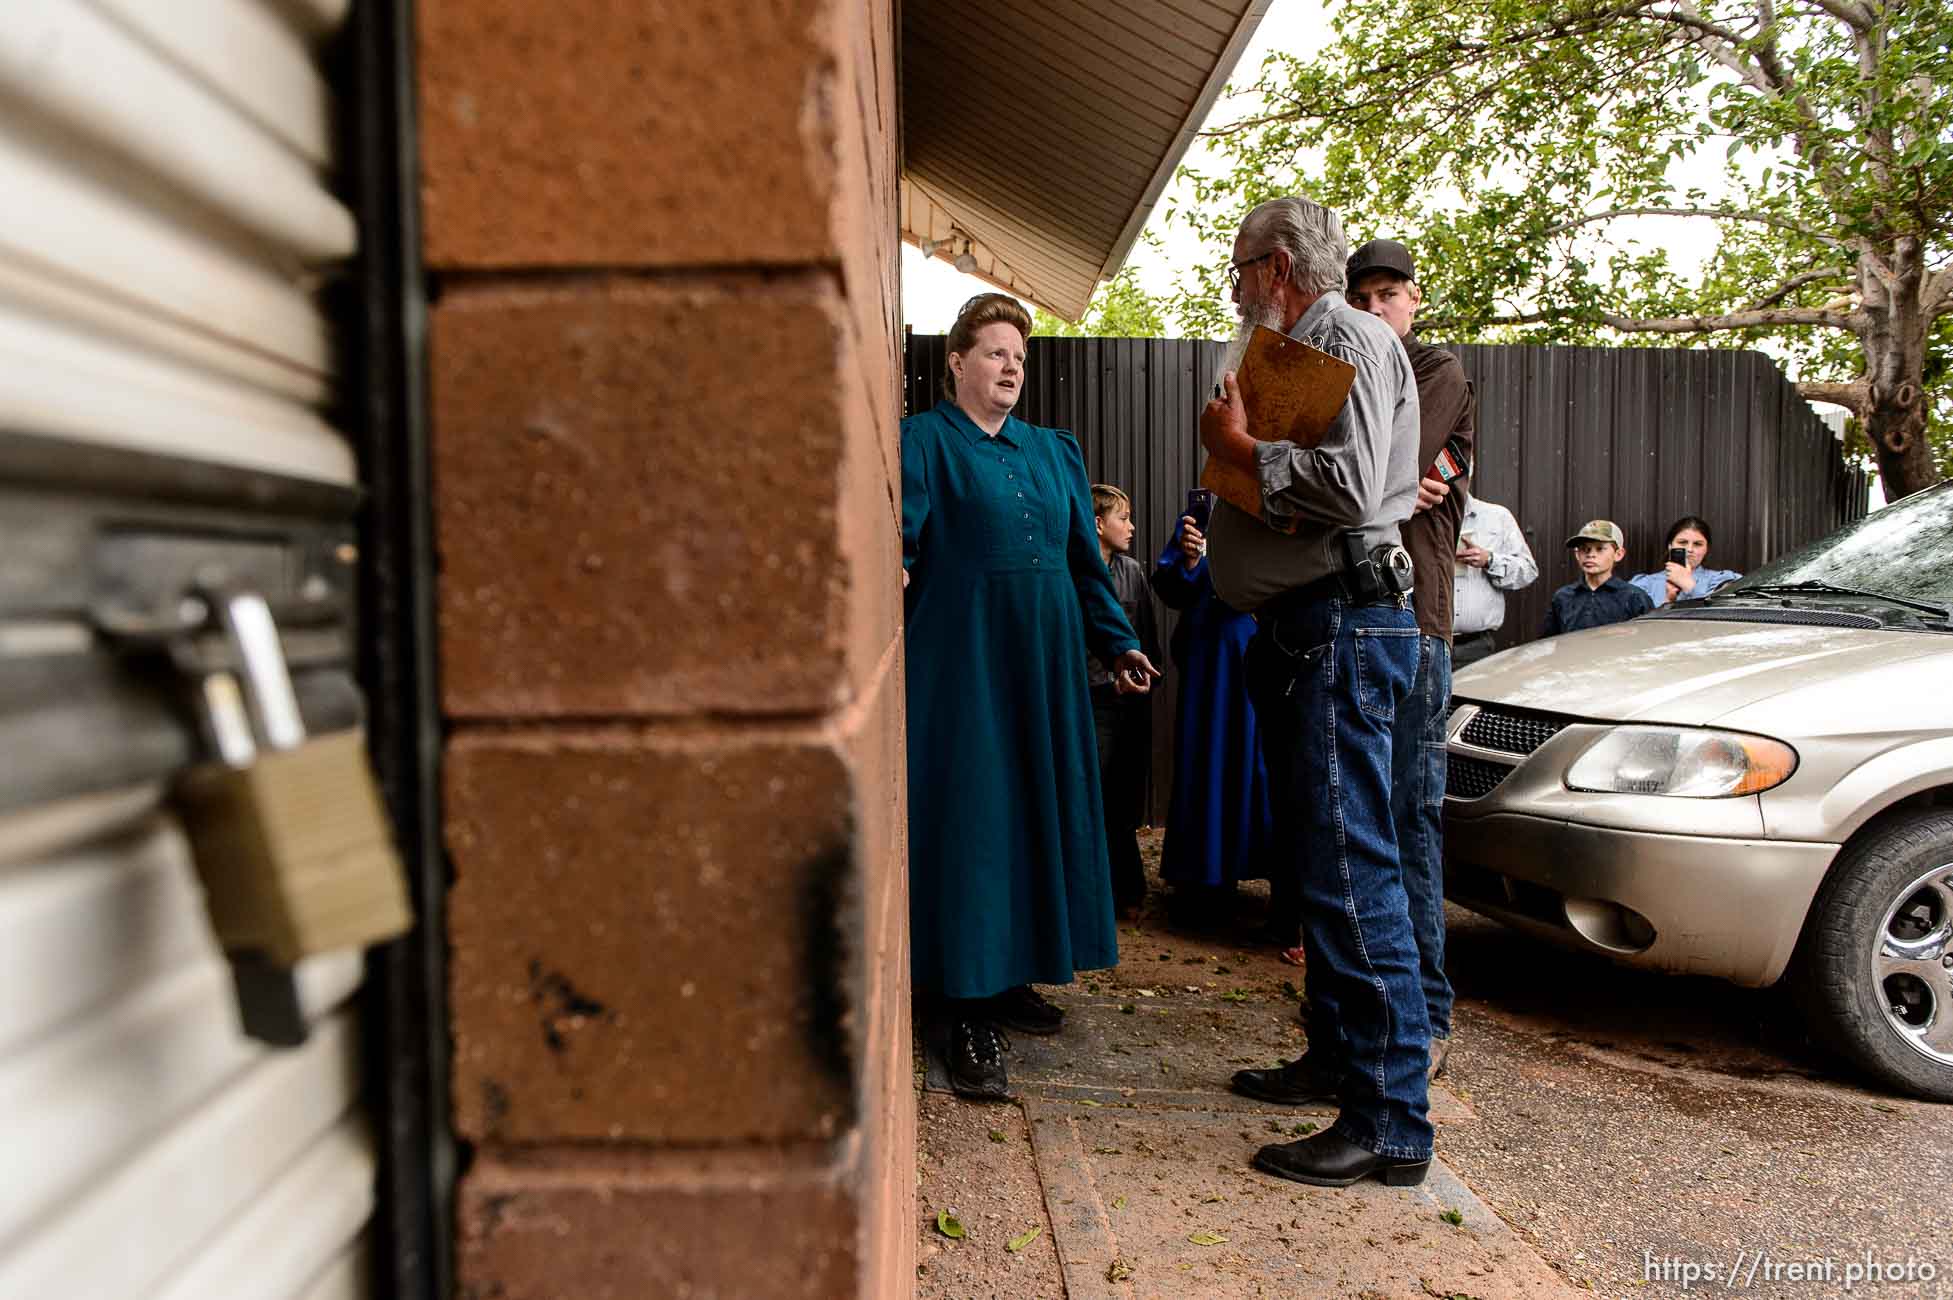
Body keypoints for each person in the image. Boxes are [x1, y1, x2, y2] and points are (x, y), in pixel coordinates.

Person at [1199, 196, 1433, 1189]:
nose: (1239, 285)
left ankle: (1389, 1118)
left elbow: (1344, 486)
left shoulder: (1346, 333)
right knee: (1324, 863)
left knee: (1354, 867)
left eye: (1243, 266)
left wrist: (1242, 449)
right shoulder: (1309, 343)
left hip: (1341, 624)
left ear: (1281, 263)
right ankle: (1339, 1058)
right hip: (1312, 629)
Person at [902, 293, 1160, 1102]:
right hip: (964, 665)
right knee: (976, 820)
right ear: (955, 361)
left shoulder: (1053, 452)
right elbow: (898, 546)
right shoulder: (922, 442)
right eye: (993, 352)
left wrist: (1117, 640)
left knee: (1033, 813)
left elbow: (1085, 561)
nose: (1010, 366)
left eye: (1019, 355)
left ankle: (1009, 973)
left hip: (1045, 666)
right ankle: (958, 1002)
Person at [1343, 237, 1474, 1080]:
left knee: (1407, 813)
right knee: (1358, 820)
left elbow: (1375, 468)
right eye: (1364, 296)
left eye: (1389, 293)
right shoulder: (1355, 378)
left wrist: (1382, 467)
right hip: (1361, 615)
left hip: (1417, 623)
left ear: (1414, 299)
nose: (1377, 307)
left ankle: (1423, 1011)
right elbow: (1367, 472)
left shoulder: (1434, 368)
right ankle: (1368, 1010)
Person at [1148, 509, 1272, 925]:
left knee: (1255, 762)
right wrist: (1189, 560)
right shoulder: (1200, 519)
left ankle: (1251, 866)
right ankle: (1204, 877)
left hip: (1259, 650)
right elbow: (1169, 586)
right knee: (1207, 756)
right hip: (1210, 659)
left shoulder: (1278, 509)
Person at [1088, 484, 1162, 917]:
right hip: (1091, 701)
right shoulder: (1074, 572)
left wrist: (1138, 686)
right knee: (1091, 794)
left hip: (1128, 705)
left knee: (1123, 797)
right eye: (1123, 518)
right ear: (1098, 524)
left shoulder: (1133, 572)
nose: (1131, 527)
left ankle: (1128, 892)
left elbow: (1146, 637)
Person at [1451, 494, 1539, 667]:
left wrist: (1490, 560)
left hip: (1477, 646)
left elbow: (1528, 571)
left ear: (1472, 469)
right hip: (1426, 643)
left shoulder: (1497, 517)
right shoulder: (1418, 512)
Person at [1543, 519, 1654, 635]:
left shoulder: (1634, 598)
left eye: (1600, 548)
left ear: (1618, 554)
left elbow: (1649, 641)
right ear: (1577, 554)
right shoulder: (1563, 597)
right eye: (1584, 548)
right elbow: (1550, 641)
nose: (1590, 554)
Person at [1628, 514, 1741, 608]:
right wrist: (1667, 601)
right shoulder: (1644, 584)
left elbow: (1723, 616)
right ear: (1670, 546)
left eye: (1697, 544)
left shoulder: (1723, 580)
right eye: (1682, 542)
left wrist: (1689, 586)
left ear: (1707, 549)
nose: (1689, 549)